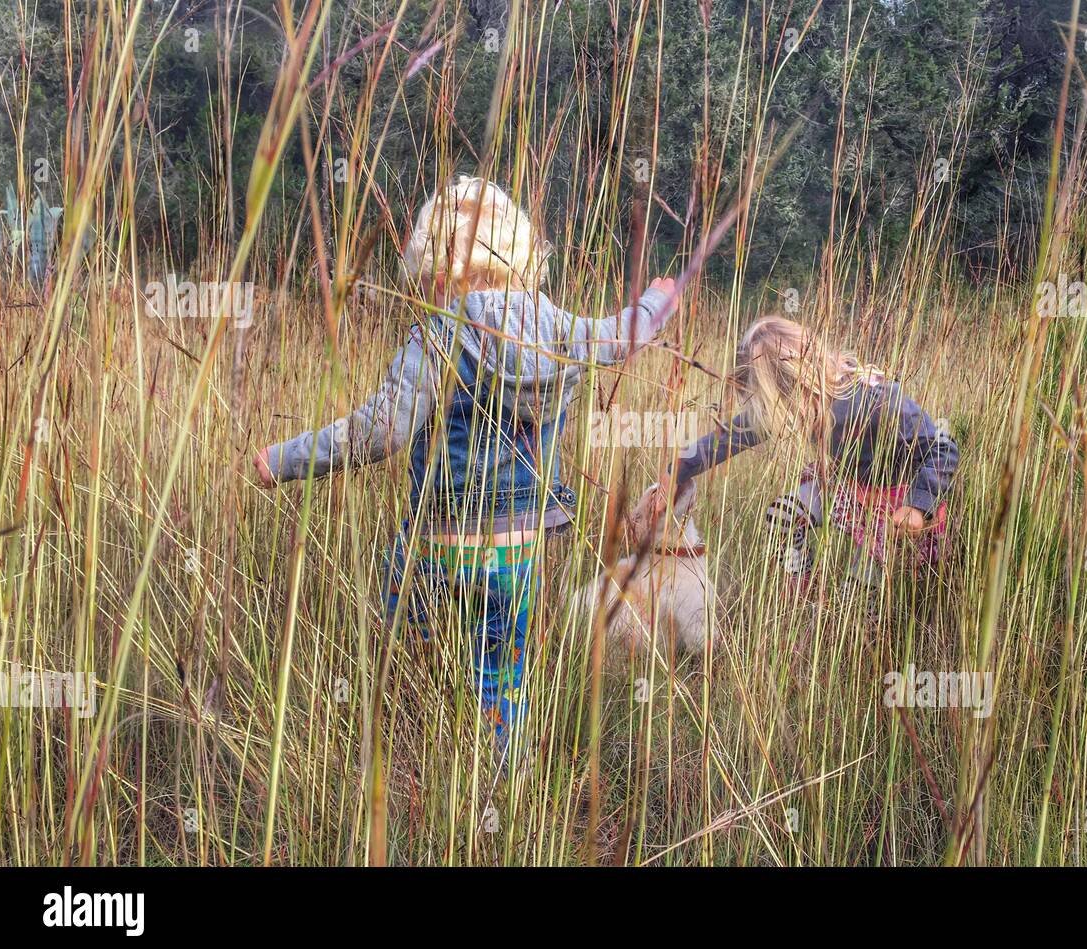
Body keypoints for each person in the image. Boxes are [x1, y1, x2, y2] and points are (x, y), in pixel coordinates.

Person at [254, 175, 676, 760]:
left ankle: (415, 731)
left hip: (440, 539)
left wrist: (281, 459)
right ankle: (510, 782)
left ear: (436, 256)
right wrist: (658, 298)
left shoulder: (442, 331)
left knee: (402, 617)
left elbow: (379, 433)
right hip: (519, 551)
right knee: (501, 674)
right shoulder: (561, 329)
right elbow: (626, 332)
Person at [653, 315, 957, 588]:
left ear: (789, 388)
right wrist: (675, 470)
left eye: (764, 401)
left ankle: (856, 616)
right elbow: (730, 437)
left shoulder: (876, 401)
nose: (764, 415)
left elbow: (942, 448)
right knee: (779, 520)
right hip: (850, 490)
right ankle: (808, 591)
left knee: (858, 597)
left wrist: (919, 507)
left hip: (899, 506)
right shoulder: (796, 407)